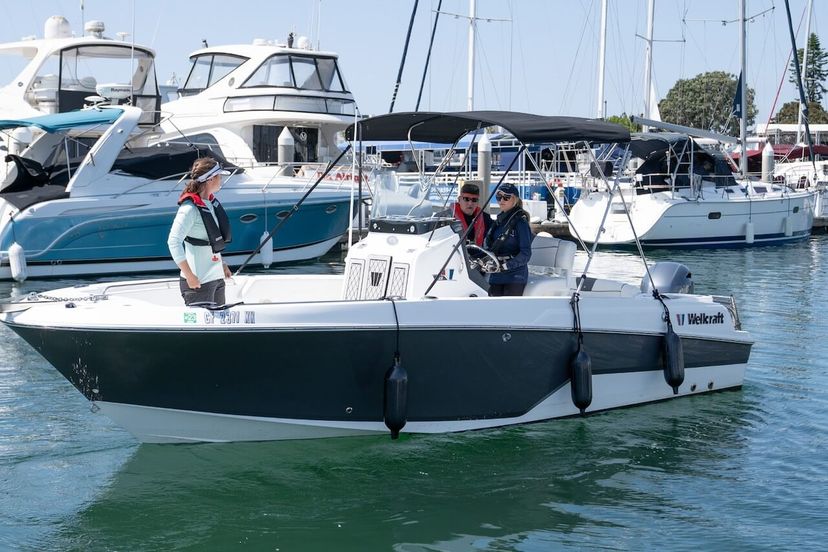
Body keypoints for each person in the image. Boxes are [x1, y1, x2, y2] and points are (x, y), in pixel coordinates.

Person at [167, 157, 233, 306]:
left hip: (217, 279)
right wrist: (189, 276)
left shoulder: (210, 204)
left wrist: (222, 264)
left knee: (219, 321)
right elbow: (173, 241)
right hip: (199, 283)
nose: (221, 180)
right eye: (219, 176)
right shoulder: (189, 209)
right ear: (210, 179)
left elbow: (211, 240)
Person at [483, 183, 534, 297]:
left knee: (508, 306)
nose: (502, 200)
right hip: (496, 274)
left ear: (515, 199)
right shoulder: (498, 221)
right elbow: (489, 244)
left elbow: (526, 254)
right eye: (499, 197)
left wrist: (506, 266)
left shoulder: (521, 223)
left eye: (506, 197)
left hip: (515, 276)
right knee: (491, 305)